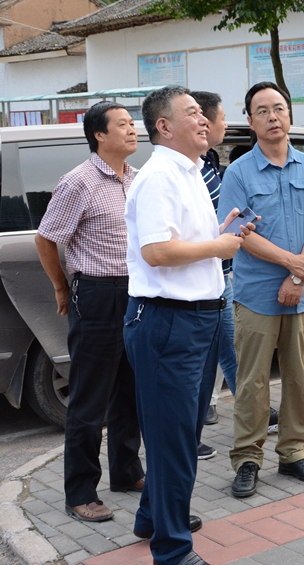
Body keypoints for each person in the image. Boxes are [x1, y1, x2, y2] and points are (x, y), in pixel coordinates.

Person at [123, 85, 249, 565]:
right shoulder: (159, 176)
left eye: (203, 113)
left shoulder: (191, 171)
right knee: (174, 440)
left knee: (181, 432)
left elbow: (182, 242)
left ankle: (152, 517)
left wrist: (220, 233)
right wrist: (218, 247)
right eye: (192, 113)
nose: (204, 119)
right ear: (164, 126)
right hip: (167, 322)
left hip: (200, 318)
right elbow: (157, 252)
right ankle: (173, 551)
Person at [219, 82, 304, 499]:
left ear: (289, 114)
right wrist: (291, 264)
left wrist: (298, 277)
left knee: (298, 377)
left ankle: (293, 453)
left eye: (279, 108)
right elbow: (238, 232)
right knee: (251, 381)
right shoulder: (238, 172)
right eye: (262, 111)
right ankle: (247, 459)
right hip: (256, 292)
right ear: (250, 121)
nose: (273, 117)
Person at [34, 101, 145, 523]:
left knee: (129, 391)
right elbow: (46, 238)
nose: (132, 130)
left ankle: (127, 471)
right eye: (123, 124)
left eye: (133, 123)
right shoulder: (78, 181)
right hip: (98, 295)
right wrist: (62, 286)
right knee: (89, 399)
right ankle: (80, 492)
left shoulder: (136, 177)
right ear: (99, 134)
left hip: (137, 293)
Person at [188, 90, 236, 461]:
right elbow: (160, 249)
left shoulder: (206, 163)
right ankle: (254, 410)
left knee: (224, 351)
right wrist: (219, 243)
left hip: (219, 275)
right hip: (203, 281)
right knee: (221, 353)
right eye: (222, 117)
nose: (224, 124)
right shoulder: (180, 173)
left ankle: (251, 409)